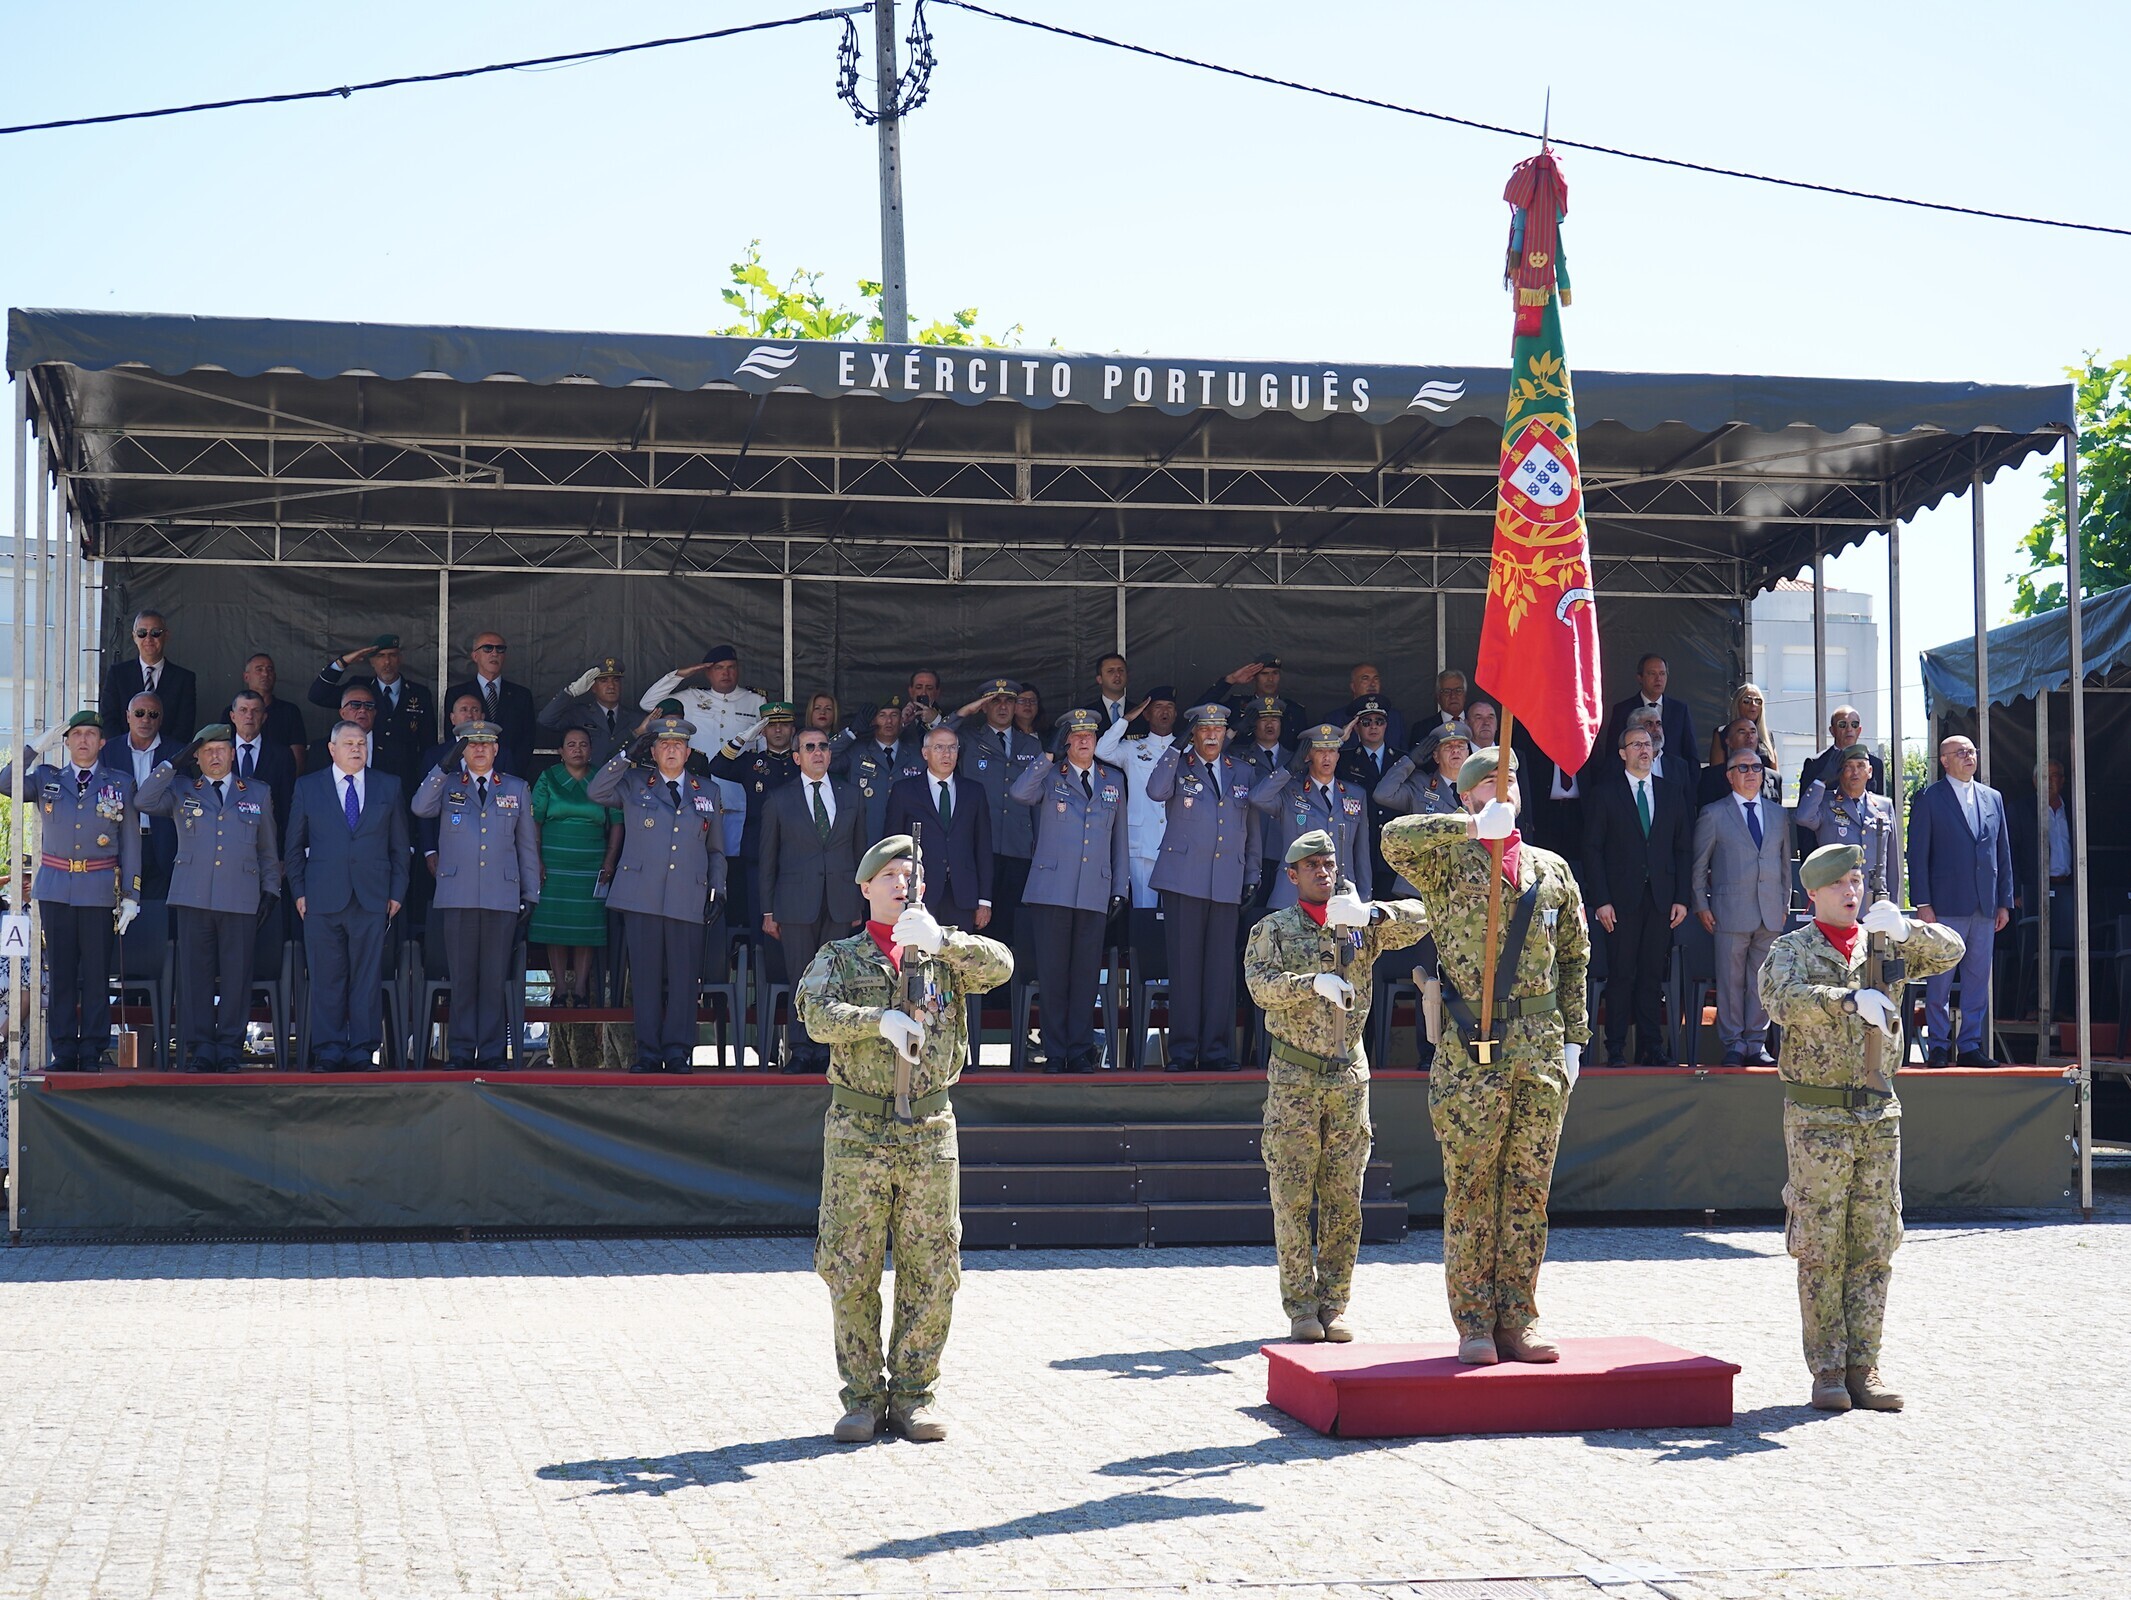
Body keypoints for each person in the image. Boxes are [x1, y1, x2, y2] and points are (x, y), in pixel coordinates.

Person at [797, 834, 1013, 1444]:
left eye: (910, 874)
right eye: (889, 875)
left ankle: (915, 1396)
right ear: (866, 887)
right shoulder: (842, 957)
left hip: (928, 1128)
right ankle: (863, 1399)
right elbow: (813, 1014)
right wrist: (877, 1020)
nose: (901, 884)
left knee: (932, 1265)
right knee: (850, 1264)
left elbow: (1002, 966)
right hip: (858, 1129)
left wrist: (943, 942)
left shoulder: (943, 952)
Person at [1381, 746, 1590, 1365]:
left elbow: (1575, 958)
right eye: (1489, 783)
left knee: (1528, 1187)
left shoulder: (1551, 869)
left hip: (1540, 1045)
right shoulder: (1446, 862)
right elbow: (1393, 839)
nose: (1504, 791)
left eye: (1511, 782)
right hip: (1473, 1046)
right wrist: (1471, 829)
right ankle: (1474, 1322)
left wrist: (1575, 1038)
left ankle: (1519, 1319)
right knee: (1472, 1186)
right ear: (1465, 794)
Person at [1759, 843, 1966, 1412]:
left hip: (1878, 1113)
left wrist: (1905, 930)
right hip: (1818, 1116)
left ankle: (1864, 1367)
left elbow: (1953, 950)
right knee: (1820, 1246)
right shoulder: (1792, 949)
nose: (1851, 892)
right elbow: (1780, 1000)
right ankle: (1828, 1370)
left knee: (1875, 1243)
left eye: (1856, 881)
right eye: (1839, 884)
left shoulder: (1882, 942)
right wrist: (1848, 1002)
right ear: (1813, 894)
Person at [1245, 829, 1429, 1340]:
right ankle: (1301, 1307)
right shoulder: (1274, 929)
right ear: (1292, 875)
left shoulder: (1355, 923)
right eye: (1312, 866)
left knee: (1345, 1197)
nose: (1323, 873)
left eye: (1329, 864)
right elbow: (1260, 987)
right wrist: (1311, 984)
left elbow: (1425, 917)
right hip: (1295, 1077)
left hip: (1348, 1075)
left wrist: (1373, 914)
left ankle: (1334, 1303)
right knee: (1291, 1195)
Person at [136, 723, 282, 1072]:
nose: (215, 756)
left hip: (241, 896)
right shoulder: (182, 788)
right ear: (197, 758)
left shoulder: (257, 792)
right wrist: (172, 764)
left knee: (236, 977)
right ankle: (201, 1047)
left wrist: (271, 890)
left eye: (221, 750)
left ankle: (230, 1048)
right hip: (193, 896)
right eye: (206, 751)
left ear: (232, 754)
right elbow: (143, 800)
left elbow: (267, 849)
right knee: (196, 977)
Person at [0, 713, 142, 1070]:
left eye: (91, 734)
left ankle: (92, 1049)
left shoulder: (120, 783)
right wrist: (33, 748)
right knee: (61, 974)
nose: (83, 740)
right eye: (76, 734)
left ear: (102, 742)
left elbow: (130, 843)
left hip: (98, 889)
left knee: (95, 974)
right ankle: (63, 1050)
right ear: (65, 742)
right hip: (56, 888)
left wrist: (131, 894)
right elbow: (5, 784)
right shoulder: (47, 778)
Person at [589, 714, 725, 1074]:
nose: (671, 749)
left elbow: (715, 850)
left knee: (684, 980)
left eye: (678, 744)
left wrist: (718, 888)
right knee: (645, 978)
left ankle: (678, 1052)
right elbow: (596, 791)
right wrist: (625, 756)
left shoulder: (707, 791)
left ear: (689, 752)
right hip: (642, 896)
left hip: (687, 895)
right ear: (652, 751)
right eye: (664, 744)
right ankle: (648, 1052)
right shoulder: (634, 782)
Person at [411, 722, 540, 1071]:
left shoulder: (515, 787)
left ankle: (493, 1051)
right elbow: (420, 807)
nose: (480, 749)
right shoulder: (447, 783)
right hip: (458, 894)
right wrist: (442, 767)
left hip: (501, 895)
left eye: (486, 743)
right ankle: (462, 1050)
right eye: (472, 744)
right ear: (461, 750)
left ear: (496, 749)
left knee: (494, 978)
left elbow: (526, 846)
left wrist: (530, 893)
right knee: (463, 978)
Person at [284, 718, 410, 1071]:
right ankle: (328, 1050)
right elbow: (293, 846)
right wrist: (299, 892)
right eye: (349, 743)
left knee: (367, 979)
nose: (357, 749)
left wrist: (397, 892)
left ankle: (362, 1052)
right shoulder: (309, 786)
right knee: (326, 978)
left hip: (372, 896)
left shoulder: (388, 785)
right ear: (332, 749)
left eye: (361, 743)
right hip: (321, 897)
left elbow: (401, 846)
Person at [1009, 707, 1128, 1072]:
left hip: (1094, 890)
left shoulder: (1113, 780)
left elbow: (1119, 839)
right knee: (1054, 975)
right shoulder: (1049, 775)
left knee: (1086, 977)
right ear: (1066, 742)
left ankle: (1079, 1050)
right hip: (1052, 891)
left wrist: (1119, 887)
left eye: (1089, 735)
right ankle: (1055, 1052)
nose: (1083, 740)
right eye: (1076, 736)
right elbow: (1019, 793)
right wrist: (1047, 755)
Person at [1146, 703, 1260, 1072]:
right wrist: (1175, 748)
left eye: (1218, 728)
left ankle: (1215, 1051)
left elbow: (1251, 829)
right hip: (1183, 880)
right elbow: (1155, 791)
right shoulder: (1178, 765)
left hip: (1227, 879)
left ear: (1226, 732)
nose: (1212, 735)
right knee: (1185, 969)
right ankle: (1182, 1052)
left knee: (1220, 971)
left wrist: (1252, 874)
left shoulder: (1242, 770)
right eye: (1204, 728)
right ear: (1193, 733)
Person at [759, 725, 871, 1072]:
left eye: (823, 746)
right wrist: (768, 910)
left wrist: (860, 901)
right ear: (797, 757)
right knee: (801, 976)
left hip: (840, 900)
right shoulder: (779, 799)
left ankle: (827, 1050)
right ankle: (800, 1048)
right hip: (794, 903)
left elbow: (860, 851)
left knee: (835, 977)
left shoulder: (851, 795)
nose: (818, 752)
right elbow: (768, 859)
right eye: (810, 747)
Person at [1582, 722, 1692, 1066]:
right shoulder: (1605, 793)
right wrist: (1601, 900)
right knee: (1621, 974)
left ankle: (1650, 1047)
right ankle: (1615, 1047)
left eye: (1648, 744)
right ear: (1622, 753)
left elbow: (1683, 849)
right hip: (1620, 900)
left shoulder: (1671, 792)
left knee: (1651, 975)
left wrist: (1682, 898)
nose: (1644, 750)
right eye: (1636, 745)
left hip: (1661, 899)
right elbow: (1592, 850)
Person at [1905, 734, 2013, 1066]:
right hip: (1944, 905)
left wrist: (2004, 901)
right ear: (1944, 760)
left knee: (1977, 980)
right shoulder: (1929, 798)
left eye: (1972, 751)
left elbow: (2002, 853)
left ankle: (1969, 1046)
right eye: (1961, 752)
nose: (1969, 757)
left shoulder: (1992, 798)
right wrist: (1922, 902)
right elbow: (1917, 854)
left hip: (1984, 904)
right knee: (1939, 980)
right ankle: (1938, 1045)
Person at [1691, 746, 1790, 1066]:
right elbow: (1699, 865)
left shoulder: (1778, 814)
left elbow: (1784, 864)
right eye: (1743, 768)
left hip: (1770, 911)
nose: (1751, 774)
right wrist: (1701, 904)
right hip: (1729, 911)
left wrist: (1785, 903)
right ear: (1730, 776)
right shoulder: (1714, 813)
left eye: (1757, 768)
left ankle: (1756, 1044)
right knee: (1731, 981)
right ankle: (1733, 1043)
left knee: (1762, 981)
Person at [529, 728, 621, 1011]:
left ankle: (580, 989)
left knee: (586, 927)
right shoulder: (548, 777)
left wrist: (610, 860)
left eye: (583, 744)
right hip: (553, 861)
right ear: (561, 751)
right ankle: (560, 988)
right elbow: (535, 821)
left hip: (592, 861)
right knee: (555, 925)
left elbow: (617, 822)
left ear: (591, 750)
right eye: (571, 745)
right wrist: (536, 859)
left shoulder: (602, 778)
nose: (577, 749)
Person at [953, 678, 1041, 950]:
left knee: (1011, 926)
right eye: (995, 701)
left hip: (1018, 846)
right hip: (979, 846)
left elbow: (1038, 803)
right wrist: (963, 713)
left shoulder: (1032, 745)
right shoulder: (968, 739)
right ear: (983, 706)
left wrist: (1038, 846)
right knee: (976, 926)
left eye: (1009, 701)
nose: (1003, 707)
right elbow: (936, 737)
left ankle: (1008, 980)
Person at [1251, 724, 1372, 909]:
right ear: (1308, 755)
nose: (1326, 757)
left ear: (1338, 756)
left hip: (1341, 894)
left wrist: (1364, 899)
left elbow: (1362, 854)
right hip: (1293, 894)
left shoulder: (1355, 794)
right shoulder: (1290, 791)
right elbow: (1257, 798)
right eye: (1320, 751)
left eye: (1331, 751)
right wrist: (1288, 769)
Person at [885, 725, 992, 929]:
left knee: (958, 949)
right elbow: (893, 846)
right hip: (918, 892)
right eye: (939, 747)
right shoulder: (904, 791)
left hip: (963, 893)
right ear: (925, 753)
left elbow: (983, 848)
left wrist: (984, 900)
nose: (946, 754)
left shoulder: (974, 791)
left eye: (952, 748)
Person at [708, 700, 800, 931]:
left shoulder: (801, 761)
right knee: (759, 912)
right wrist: (742, 739)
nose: (778, 730)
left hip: (797, 850)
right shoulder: (752, 763)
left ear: (793, 729)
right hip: (758, 849)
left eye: (784, 724)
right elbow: (717, 766)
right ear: (762, 731)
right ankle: (758, 954)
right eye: (771, 725)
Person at [1095, 687, 1178, 907]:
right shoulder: (1133, 748)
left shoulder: (1186, 749)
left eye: (1169, 707)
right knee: (1143, 908)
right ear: (1146, 714)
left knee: (1176, 910)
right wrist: (1126, 720)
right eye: (1158, 707)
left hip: (1177, 842)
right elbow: (1102, 751)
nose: (1164, 711)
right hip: (1142, 841)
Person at [310, 633, 436, 765]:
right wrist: (342, 663)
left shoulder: (419, 693)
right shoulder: (359, 687)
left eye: (392, 655)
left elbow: (428, 741)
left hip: (405, 771)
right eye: (380, 656)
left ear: (400, 659)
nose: (387, 662)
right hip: (366, 767)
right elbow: (318, 696)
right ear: (371, 661)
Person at [100, 692, 178, 899]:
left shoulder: (176, 752)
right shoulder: (108, 751)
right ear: (128, 716)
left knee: (157, 913)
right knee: (118, 908)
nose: (145, 719)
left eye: (153, 714)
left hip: (161, 845)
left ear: (161, 719)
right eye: (139, 713)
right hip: (119, 844)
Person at [1794, 745, 1896, 900]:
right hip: (1837, 900)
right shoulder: (1826, 803)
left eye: (1860, 766)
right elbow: (1803, 817)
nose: (1855, 772)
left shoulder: (1884, 806)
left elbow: (1892, 863)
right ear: (1839, 772)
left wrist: (1893, 904)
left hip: (1874, 901)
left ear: (1870, 771)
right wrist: (1821, 781)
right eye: (1848, 767)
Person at [99, 609, 197, 750]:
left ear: (166, 635)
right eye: (142, 633)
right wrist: (124, 750)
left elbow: (184, 725)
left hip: (167, 756)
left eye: (155, 633)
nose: (148, 639)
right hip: (123, 754)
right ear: (134, 637)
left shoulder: (184, 678)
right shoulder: (118, 674)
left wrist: (163, 754)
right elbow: (108, 718)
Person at [444, 632, 537, 777]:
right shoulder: (457, 693)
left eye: (500, 649)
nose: (494, 653)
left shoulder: (521, 695)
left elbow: (527, 739)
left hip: (509, 774)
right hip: (466, 774)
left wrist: (512, 770)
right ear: (475, 656)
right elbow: (452, 736)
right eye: (488, 648)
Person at [1337, 695, 1401, 893]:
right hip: (1359, 847)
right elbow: (1314, 764)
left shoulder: (1401, 760)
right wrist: (1339, 740)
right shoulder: (1343, 760)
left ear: (1386, 725)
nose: (1373, 727)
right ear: (1356, 727)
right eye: (1366, 722)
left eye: (1379, 721)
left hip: (1394, 849)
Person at [835, 703, 925, 844]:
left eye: (894, 715)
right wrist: (851, 732)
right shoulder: (857, 752)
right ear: (873, 721)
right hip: (865, 839)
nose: (889, 721)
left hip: (905, 840)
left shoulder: (916, 754)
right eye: (882, 715)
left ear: (901, 719)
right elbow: (824, 759)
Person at [1602, 653, 1698, 777]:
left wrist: (1689, 785)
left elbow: (1690, 753)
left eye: (1662, 674)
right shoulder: (1623, 710)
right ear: (1640, 678)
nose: (1658, 679)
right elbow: (1612, 754)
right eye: (1652, 674)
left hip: (1672, 781)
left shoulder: (1679, 710)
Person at [539, 656, 635, 765]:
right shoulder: (579, 714)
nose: (611, 686)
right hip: (589, 775)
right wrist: (571, 692)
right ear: (593, 687)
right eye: (603, 681)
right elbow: (546, 720)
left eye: (616, 680)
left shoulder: (636, 719)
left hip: (625, 775)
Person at [229, 689, 299, 838]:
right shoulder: (220, 753)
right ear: (232, 716)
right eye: (243, 710)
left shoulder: (282, 755)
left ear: (264, 717)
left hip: (268, 838)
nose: (249, 716)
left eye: (256, 711)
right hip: (227, 840)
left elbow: (287, 805)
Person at [1205, 655, 1307, 745]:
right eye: (1264, 673)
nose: (1270, 679)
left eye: (1275, 673)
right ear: (1254, 677)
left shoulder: (1295, 712)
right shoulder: (1236, 706)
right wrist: (1230, 680)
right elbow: (1202, 710)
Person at [1796, 707, 1885, 808]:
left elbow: (1880, 806)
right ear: (1832, 730)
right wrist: (1822, 779)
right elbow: (1803, 808)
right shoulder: (1815, 764)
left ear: (1859, 730)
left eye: (1854, 724)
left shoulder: (1874, 764)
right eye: (1842, 724)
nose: (1849, 729)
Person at [1705, 683, 1781, 801]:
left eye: (1758, 701)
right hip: (1730, 797)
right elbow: (1716, 776)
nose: (1753, 705)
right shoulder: (1722, 733)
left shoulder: (1767, 735)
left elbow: (1775, 775)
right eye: (1747, 701)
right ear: (1737, 704)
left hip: (1763, 798)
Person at [238, 653, 308, 770]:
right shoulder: (232, 712)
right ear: (246, 677)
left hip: (280, 777)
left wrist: (289, 780)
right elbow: (224, 751)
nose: (265, 674)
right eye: (259, 669)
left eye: (269, 670)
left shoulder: (289, 711)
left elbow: (298, 756)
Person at [1697, 717, 1781, 808]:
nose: (1749, 736)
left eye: (1753, 732)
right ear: (1728, 741)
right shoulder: (1710, 777)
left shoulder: (1773, 778)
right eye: (1742, 732)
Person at [1332, 664, 1407, 749]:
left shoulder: (1395, 717)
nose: (1372, 684)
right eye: (1365, 679)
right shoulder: (1335, 720)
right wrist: (1339, 740)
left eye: (1376, 679)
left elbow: (1403, 753)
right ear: (1353, 686)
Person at [1081, 653, 1131, 729]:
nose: (1117, 674)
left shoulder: (1140, 712)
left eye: (1121, 670)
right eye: (1110, 671)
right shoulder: (1087, 715)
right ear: (1099, 679)